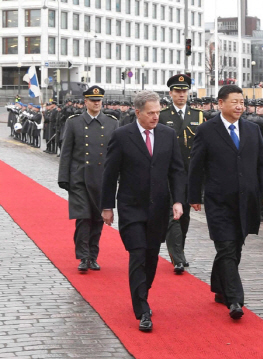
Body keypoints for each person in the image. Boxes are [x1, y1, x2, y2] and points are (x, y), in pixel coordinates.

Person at [101, 90, 186, 331]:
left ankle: (142, 292)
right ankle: (142, 310)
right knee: (137, 254)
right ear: (138, 112)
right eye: (151, 113)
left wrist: (178, 200)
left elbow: (177, 170)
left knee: (150, 257)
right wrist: (107, 206)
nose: (156, 117)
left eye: (158, 112)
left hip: (158, 208)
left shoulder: (168, 135)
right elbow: (110, 174)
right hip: (131, 207)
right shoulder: (121, 136)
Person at [188, 85, 263, 320]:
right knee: (225, 246)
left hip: (246, 199)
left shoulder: (253, 129)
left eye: (242, 102)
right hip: (218, 200)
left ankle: (219, 287)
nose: (239, 106)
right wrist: (194, 195)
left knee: (234, 246)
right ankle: (235, 299)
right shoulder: (207, 130)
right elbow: (196, 165)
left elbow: (262, 164)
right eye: (234, 101)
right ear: (220, 104)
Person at [58, 85, 119, 272]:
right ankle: (83, 257)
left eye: (99, 100)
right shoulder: (74, 122)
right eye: (93, 100)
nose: (96, 103)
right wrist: (63, 177)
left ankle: (93, 256)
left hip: (102, 179)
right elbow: (66, 151)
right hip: (79, 179)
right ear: (85, 102)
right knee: (83, 218)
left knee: (97, 220)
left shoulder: (112, 123)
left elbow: (117, 153)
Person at [159, 74, 204, 274]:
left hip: (190, 173)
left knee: (184, 216)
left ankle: (179, 250)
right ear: (170, 93)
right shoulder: (162, 115)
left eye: (184, 91)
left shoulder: (198, 116)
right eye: (177, 91)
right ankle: (178, 257)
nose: (181, 94)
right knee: (172, 215)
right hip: (168, 173)